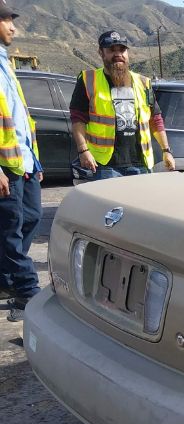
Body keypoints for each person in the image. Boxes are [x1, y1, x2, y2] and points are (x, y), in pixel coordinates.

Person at [69, 30, 176, 179]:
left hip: (141, 164)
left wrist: (166, 151)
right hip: (105, 165)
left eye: (122, 50)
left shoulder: (143, 83)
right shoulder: (88, 80)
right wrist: (83, 150)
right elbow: (78, 119)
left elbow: (155, 119)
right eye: (112, 50)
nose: (118, 54)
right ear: (101, 53)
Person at [0, 2, 43, 323]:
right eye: (5, 20)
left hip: (24, 162)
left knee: (32, 217)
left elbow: (18, 119)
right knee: (10, 229)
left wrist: (35, 161)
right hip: (5, 166)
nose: (12, 26)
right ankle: (27, 291)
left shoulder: (5, 62)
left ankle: (5, 281)